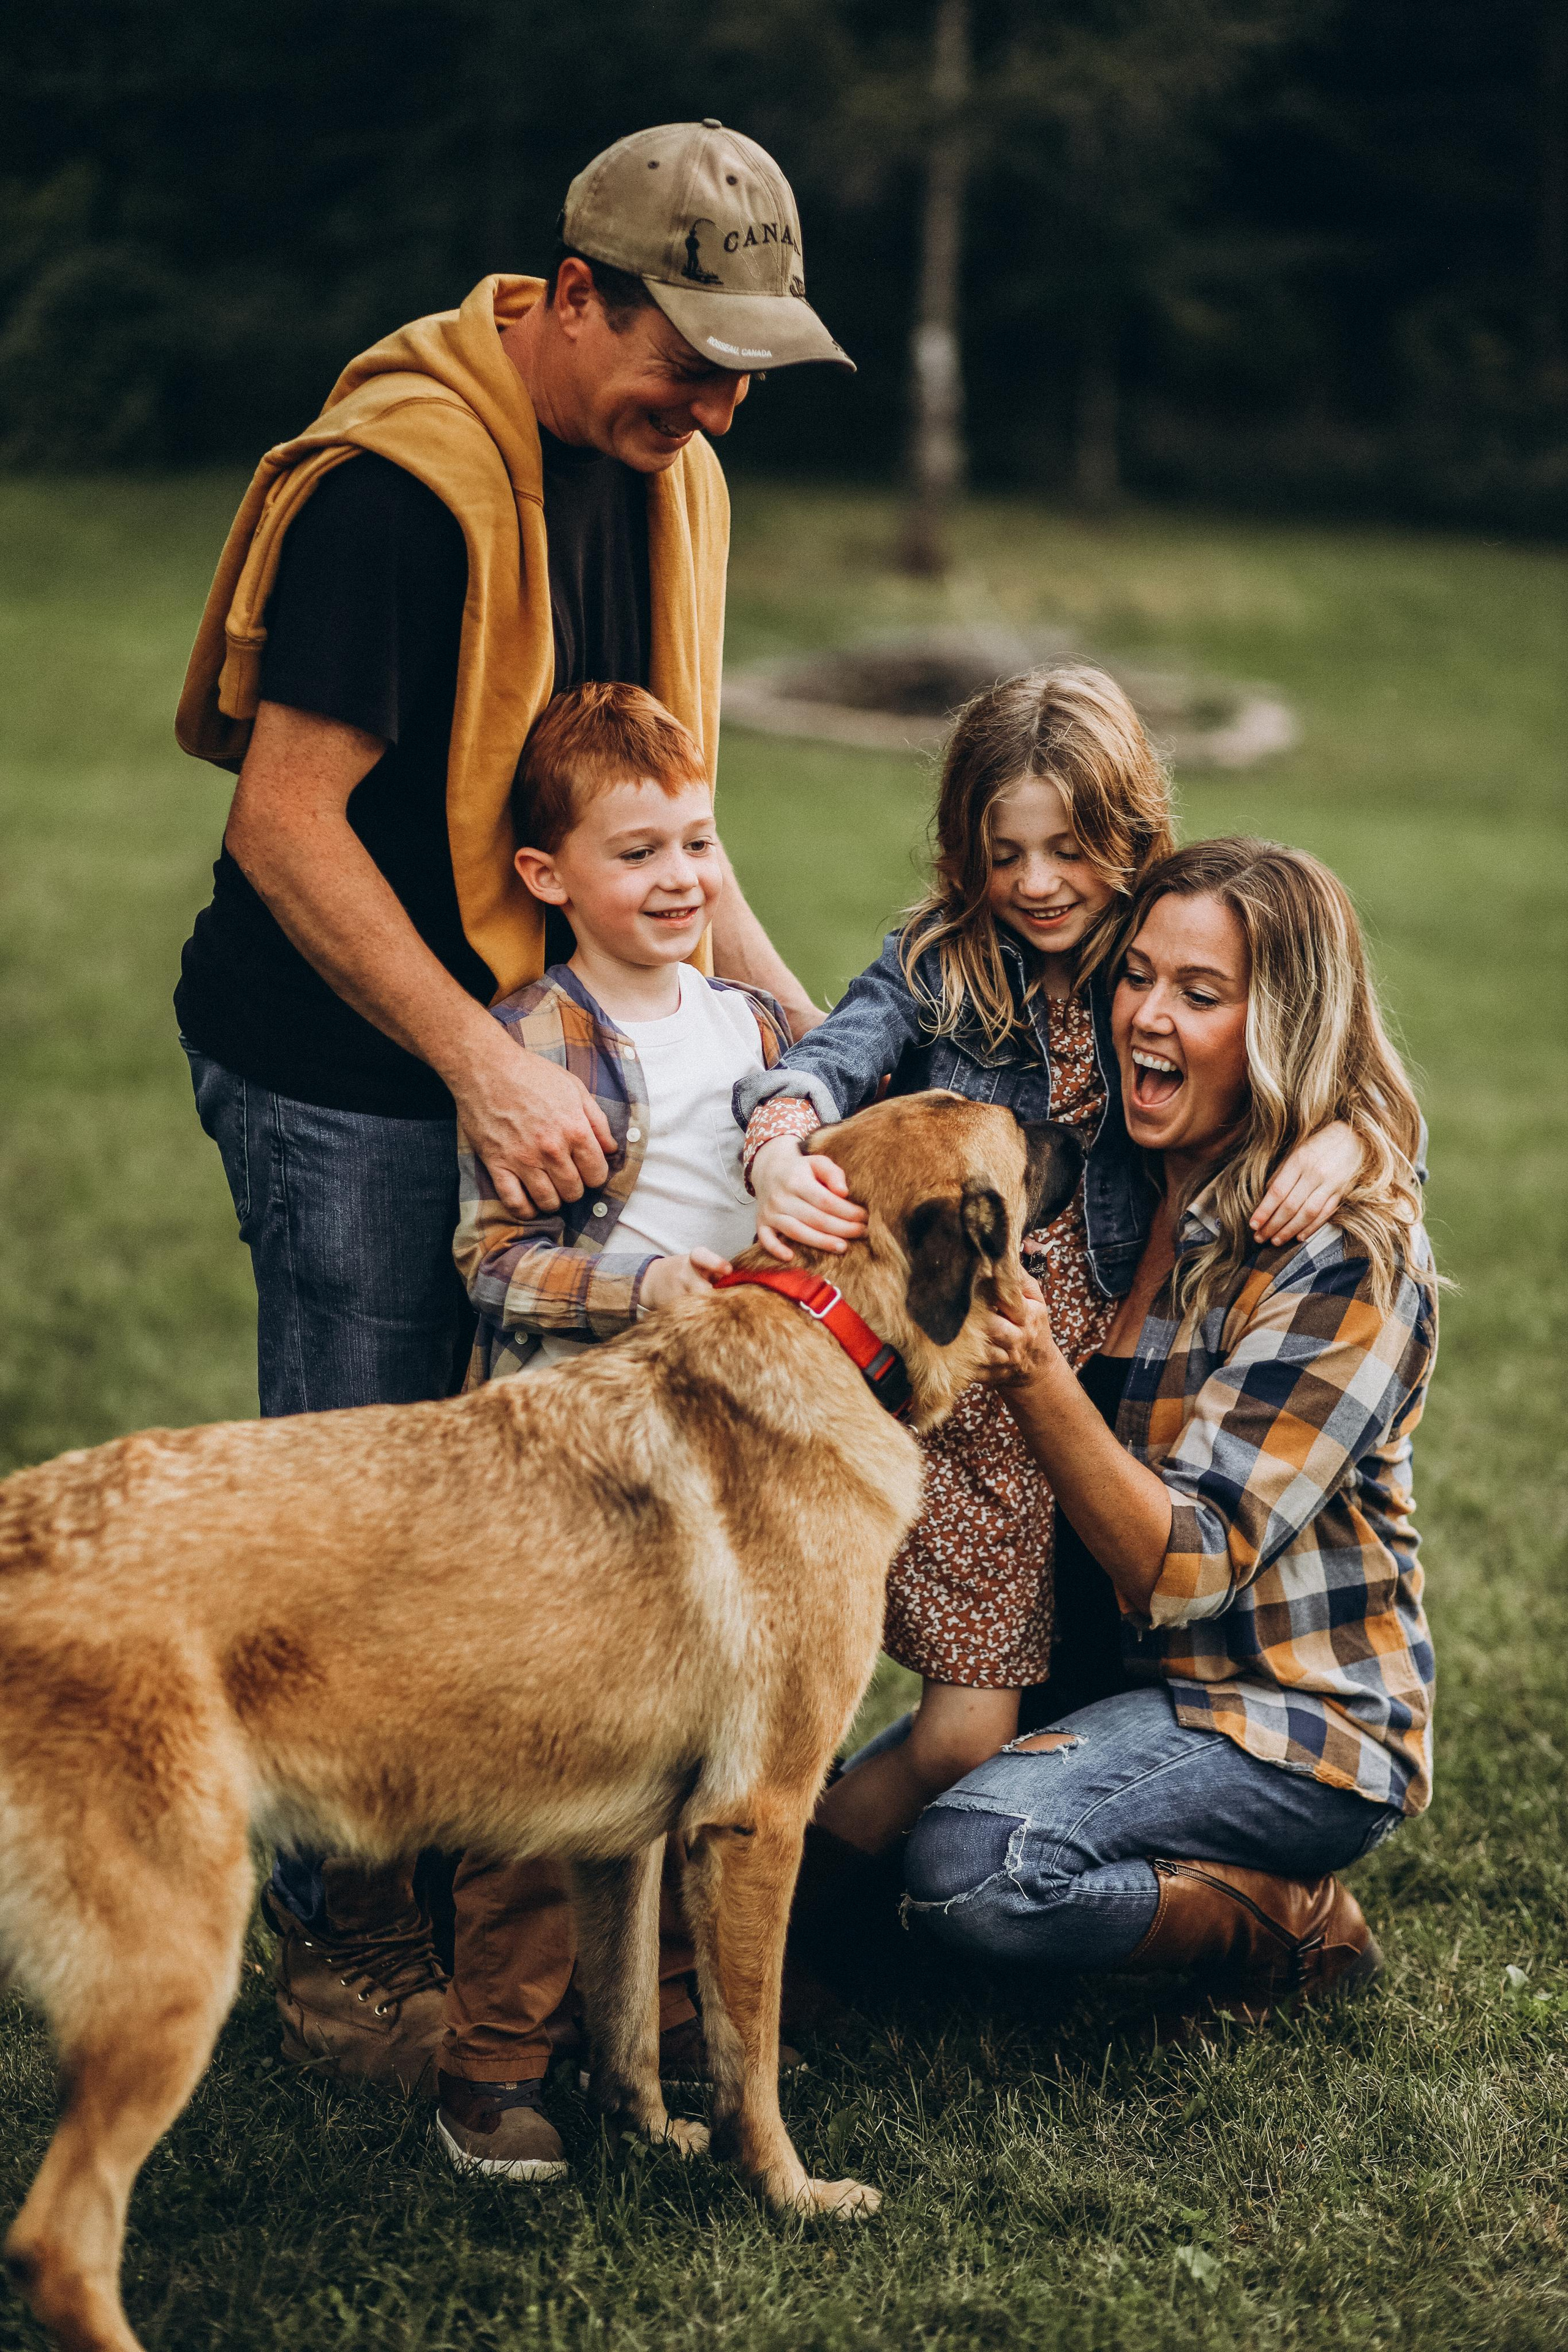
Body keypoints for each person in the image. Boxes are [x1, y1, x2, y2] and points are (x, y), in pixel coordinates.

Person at [171, 118, 850, 2094]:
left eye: (745, 368)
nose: (717, 402)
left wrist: (806, 1028)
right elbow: (289, 828)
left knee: (510, 1532)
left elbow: (664, 829)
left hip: (548, 1033)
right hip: (345, 1063)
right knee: (361, 1502)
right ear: (573, 299)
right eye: (689, 354)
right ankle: (344, 1939)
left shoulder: (667, 490)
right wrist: (482, 1061)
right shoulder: (400, 490)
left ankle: (505, 1918)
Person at [736, 673, 1362, 1894]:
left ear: (1129, 841)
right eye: (1003, 850)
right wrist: (778, 1138)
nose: (1031, 883)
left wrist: (1351, 1140)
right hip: (964, 1409)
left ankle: (822, 1913)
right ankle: (795, 1921)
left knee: (1018, 1712)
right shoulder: (937, 963)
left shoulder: (1159, 959)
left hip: (1082, 1415)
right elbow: (835, 1050)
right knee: (939, 1722)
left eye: (1068, 850)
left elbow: (1322, 1063)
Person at [898, 837, 1438, 2027]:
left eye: (1198, 995)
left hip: (1279, 1712)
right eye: (1134, 976)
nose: (1145, 1015)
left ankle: (1290, 1924)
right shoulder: (1116, 1175)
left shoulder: (1334, 1251)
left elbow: (1180, 1569)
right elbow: (878, 1024)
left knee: (969, 1878)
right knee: (852, 1857)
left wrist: (1033, 1365)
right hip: (1103, 1681)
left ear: (1280, 1029)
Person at [439, 680, 790, 2180]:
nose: (677, 881)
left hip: (726, 1450)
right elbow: (491, 1256)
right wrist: (642, 1283)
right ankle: (494, 2066)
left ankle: (648, 2035)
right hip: (569, 1455)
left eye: (697, 845)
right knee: (552, 1751)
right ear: (547, 877)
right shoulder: (540, 1041)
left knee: (686, 1744)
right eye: (636, 852)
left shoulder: (754, 1021)